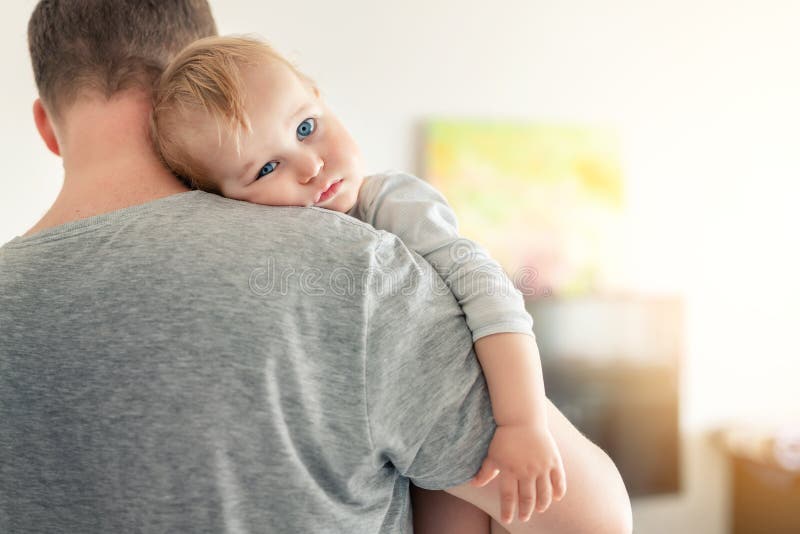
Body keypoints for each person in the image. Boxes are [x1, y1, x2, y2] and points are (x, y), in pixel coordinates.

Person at [0, 1, 633, 533]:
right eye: (266, 166)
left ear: (45, 126)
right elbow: (590, 519)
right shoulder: (349, 267)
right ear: (208, 69)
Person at [148, 35, 566, 531]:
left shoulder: (393, 203)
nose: (310, 167)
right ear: (225, 205)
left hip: (475, 413)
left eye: (306, 127)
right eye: (266, 168)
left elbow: (492, 294)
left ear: (321, 98)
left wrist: (523, 423)